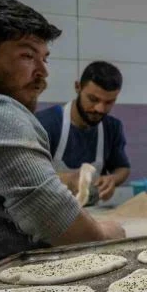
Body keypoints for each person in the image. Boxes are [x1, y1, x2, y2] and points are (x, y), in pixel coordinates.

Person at [0, 0, 125, 270]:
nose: (43, 72)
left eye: (44, 58)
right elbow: (52, 217)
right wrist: (106, 233)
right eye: (27, 56)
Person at [37, 62, 131, 204]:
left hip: (92, 212)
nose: (100, 109)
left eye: (109, 102)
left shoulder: (112, 127)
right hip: (49, 211)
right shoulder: (45, 123)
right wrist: (67, 180)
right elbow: (25, 174)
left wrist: (113, 179)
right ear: (78, 87)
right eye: (93, 99)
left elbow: (122, 168)